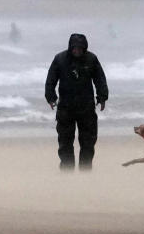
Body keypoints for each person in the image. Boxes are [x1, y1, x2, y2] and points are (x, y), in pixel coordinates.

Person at [45, 33, 108, 170]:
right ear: (70, 48)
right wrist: (51, 97)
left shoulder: (91, 59)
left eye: (80, 48)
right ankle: (67, 172)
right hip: (66, 108)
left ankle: (85, 172)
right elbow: (51, 80)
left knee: (88, 143)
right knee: (65, 143)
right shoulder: (60, 59)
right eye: (74, 48)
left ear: (84, 48)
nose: (77, 51)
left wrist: (102, 97)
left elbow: (100, 79)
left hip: (86, 108)